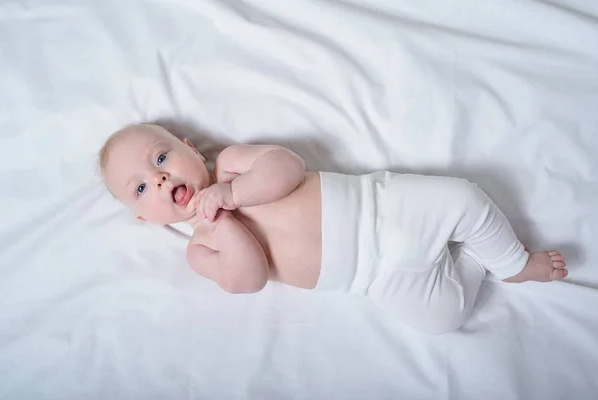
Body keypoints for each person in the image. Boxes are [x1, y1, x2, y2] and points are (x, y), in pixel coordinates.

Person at [99, 123, 567, 334]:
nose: (158, 178)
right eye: (140, 189)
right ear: (145, 219)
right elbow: (250, 278)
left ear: (188, 148)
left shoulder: (229, 166)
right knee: (441, 319)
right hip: (375, 279)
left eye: (160, 159)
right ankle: (473, 261)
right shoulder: (202, 248)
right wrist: (221, 224)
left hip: (382, 209)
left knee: (465, 198)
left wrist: (233, 196)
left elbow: (288, 165)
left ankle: (514, 264)